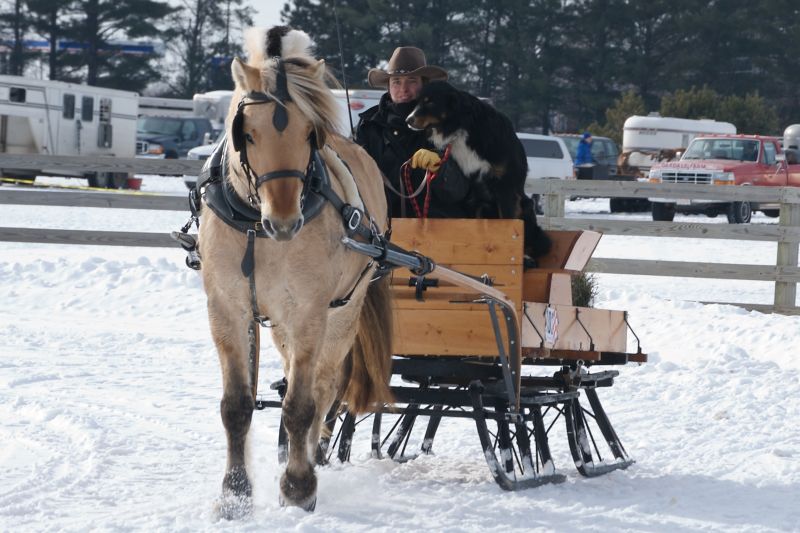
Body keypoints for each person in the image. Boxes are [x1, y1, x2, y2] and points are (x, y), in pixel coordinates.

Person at [355, 46, 470, 218]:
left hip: (439, 231)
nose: (403, 89)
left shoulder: (448, 125)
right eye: (396, 82)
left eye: (412, 81)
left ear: (424, 85)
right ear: (388, 87)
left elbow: (459, 191)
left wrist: (440, 168)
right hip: (380, 231)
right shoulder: (368, 126)